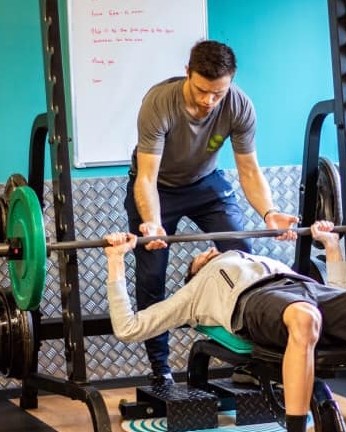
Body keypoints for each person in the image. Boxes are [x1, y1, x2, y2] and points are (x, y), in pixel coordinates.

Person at [104, 221, 346, 432]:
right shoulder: (194, 292)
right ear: (194, 271)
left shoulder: (257, 259)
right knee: (305, 318)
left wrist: (330, 245)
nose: (208, 250)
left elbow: (337, 297)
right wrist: (116, 260)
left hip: (306, 288)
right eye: (200, 256)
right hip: (256, 302)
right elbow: (128, 327)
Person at [124, 39, 298, 384]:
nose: (209, 101)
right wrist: (153, 223)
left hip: (206, 184)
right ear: (187, 73)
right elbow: (146, 178)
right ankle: (161, 370)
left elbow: (248, 169)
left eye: (218, 93)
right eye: (203, 91)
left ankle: (252, 361)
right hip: (159, 187)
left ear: (230, 81)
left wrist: (269, 213)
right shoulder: (159, 104)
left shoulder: (238, 106)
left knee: (246, 263)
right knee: (150, 278)